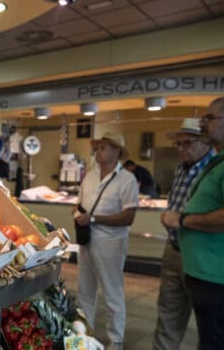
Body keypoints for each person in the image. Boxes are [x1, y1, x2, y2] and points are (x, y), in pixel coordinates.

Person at [162, 96, 224, 349]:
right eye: (177, 144)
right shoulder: (204, 165)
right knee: (174, 319)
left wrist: (183, 220)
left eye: (210, 118)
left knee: (217, 338)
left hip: (216, 275)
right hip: (187, 259)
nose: (205, 123)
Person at [153, 118, 215, 350]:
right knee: (168, 315)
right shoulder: (180, 169)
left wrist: (181, 220)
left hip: (200, 253)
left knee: (208, 322)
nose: (180, 149)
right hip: (173, 249)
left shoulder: (215, 169)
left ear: (205, 142)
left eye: (187, 143)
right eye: (178, 144)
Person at [74, 132, 139, 350]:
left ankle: (116, 340)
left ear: (116, 151)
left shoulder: (127, 180)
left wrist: (93, 218)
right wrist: (77, 214)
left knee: (112, 292)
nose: (98, 150)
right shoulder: (90, 176)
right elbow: (78, 203)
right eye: (98, 147)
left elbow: (128, 217)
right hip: (87, 240)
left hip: (111, 242)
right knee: (85, 291)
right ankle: (85, 335)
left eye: (104, 147)